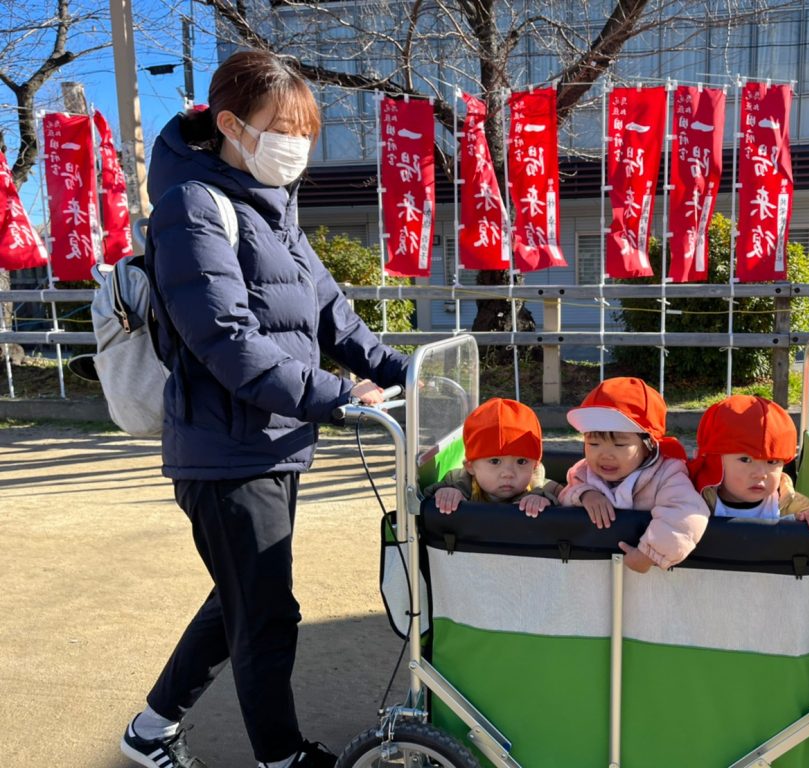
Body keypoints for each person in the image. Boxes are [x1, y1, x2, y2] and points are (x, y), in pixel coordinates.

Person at [120, 51, 409, 768]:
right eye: (282, 129)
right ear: (229, 124)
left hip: (270, 443)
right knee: (267, 615)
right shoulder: (194, 207)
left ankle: (148, 731)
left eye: (306, 132)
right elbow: (227, 342)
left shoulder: (270, 207)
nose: (298, 146)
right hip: (225, 454)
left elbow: (335, 317)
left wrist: (413, 374)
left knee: (241, 603)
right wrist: (338, 396)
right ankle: (282, 759)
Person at [557, 377, 709, 573]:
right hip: (594, 573)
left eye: (619, 444)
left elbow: (687, 513)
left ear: (648, 446)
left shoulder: (667, 475)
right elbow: (563, 496)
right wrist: (585, 494)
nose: (605, 454)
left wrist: (650, 553)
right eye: (593, 444)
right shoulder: (584, 472)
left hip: (650, 578)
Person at [687, 395, 809, 535]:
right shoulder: (699, 498)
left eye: (772, 462)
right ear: (715, 462)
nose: (760, 473)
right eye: (745, 460)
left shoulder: (786, 501)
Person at [424, 398, 562, 516]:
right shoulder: (458, 482)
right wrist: (447, 493)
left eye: (521, 461)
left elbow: (566, 495)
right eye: (495, 461)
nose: (508, 474)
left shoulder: (538, 486)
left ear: (535, 466)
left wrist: (543, 499)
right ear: (470, 466)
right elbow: (432, 493)